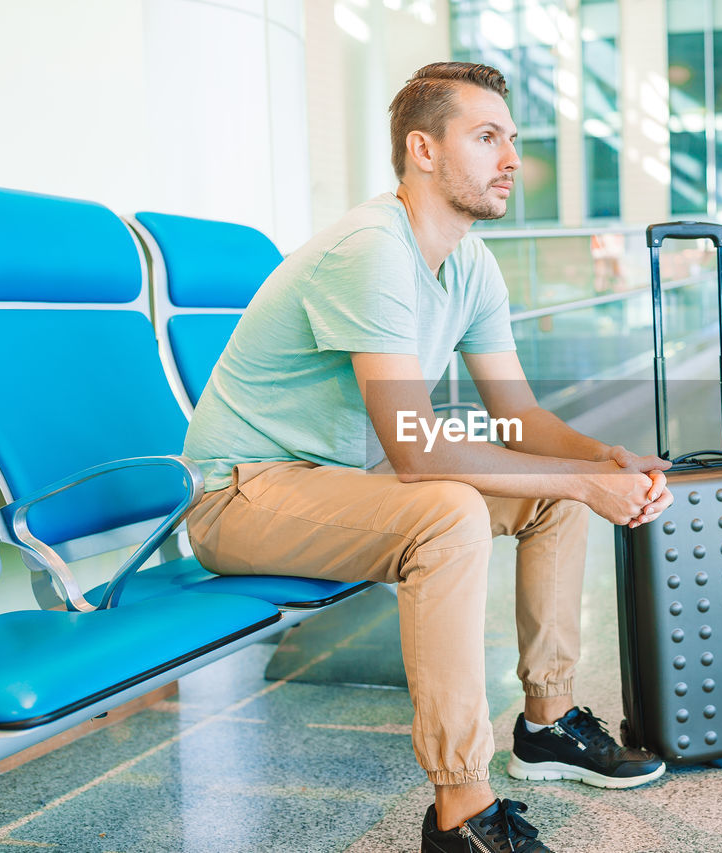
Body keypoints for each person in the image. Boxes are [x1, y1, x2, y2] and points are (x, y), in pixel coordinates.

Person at [181, 62, 673, 853]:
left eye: (511, 139)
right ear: (423, 150)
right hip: (240, 493)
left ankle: (547, 722)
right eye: (486, 138)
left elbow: (519, 416)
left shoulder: (470, 262)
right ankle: (460, 812)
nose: (511, 157)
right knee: (449, 510)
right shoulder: (371, 249)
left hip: (341, 481)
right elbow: (414, 449)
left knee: (554, 495)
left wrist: (602, 460)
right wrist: (584, 474)